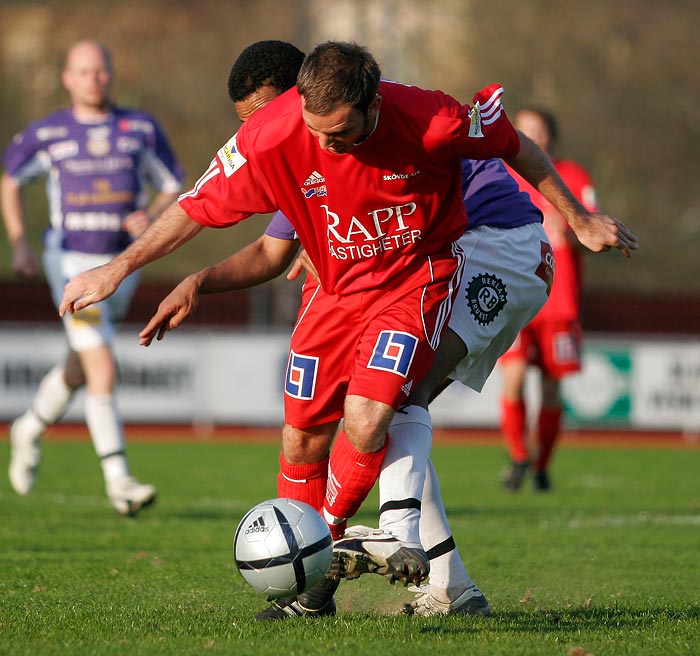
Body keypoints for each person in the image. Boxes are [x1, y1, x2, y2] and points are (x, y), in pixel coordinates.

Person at [60, 41, 637, 617]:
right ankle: (438, 585)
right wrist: (125, 268)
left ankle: (350, 546)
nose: (269, 132)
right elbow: (225, 222)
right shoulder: (286, 138)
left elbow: (511, 140)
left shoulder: (426, 119)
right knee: (320, 427)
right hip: (368, 280)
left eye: (266, 113)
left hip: (493, 247)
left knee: (389, 399)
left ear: (360, 104)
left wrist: (579, 220)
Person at [2, 40, 184, 515]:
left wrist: (152, 214)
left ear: (111, 74)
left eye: (100, 70)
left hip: (120, 265)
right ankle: (119, 479)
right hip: (69, 264)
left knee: (79, 367)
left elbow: (173, 183)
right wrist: (19, 241)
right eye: (83, 72)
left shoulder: (139, 128)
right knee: (101, 365)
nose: (93, 79)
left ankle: (27, 429)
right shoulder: (48, 133)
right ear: (67, 78)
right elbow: (9, 177)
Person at [498, 106, 599, 493]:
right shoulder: (501, 173)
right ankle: (519, 457)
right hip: (513, 299)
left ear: (551, 137)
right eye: (523, 130)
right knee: (515, 377)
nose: (530, 137)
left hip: (559, 302)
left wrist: (570, 231)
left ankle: (542, 465)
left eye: (537, 131)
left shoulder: (572, 177)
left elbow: (594, 234)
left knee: (552, 388)